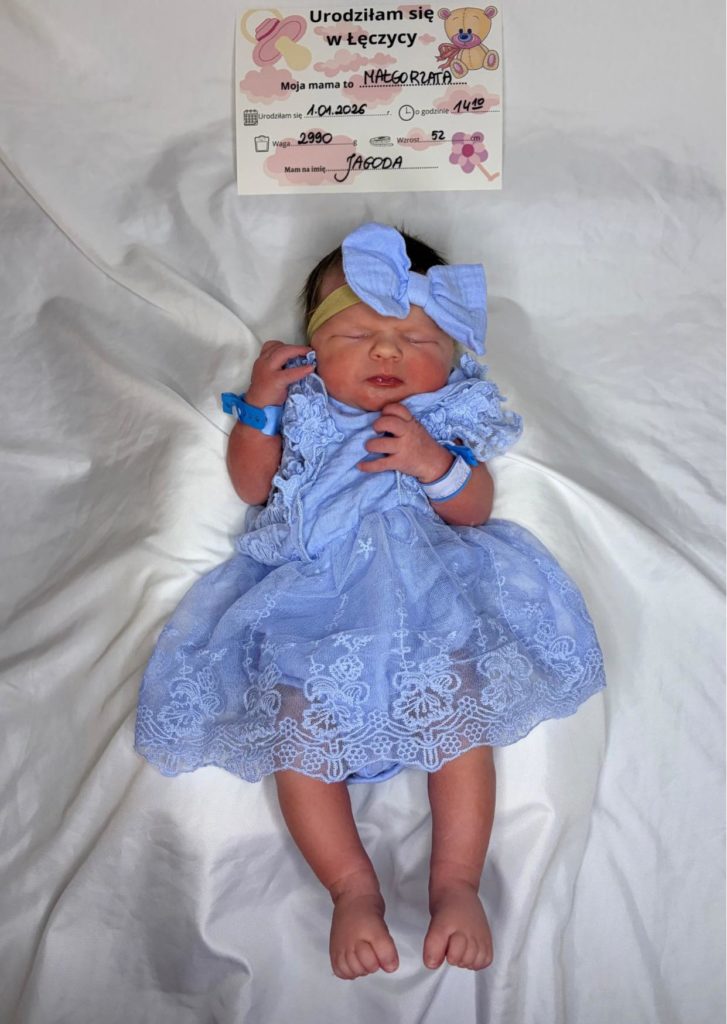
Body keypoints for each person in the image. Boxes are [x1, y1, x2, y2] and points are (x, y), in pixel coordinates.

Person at [135, 222, 605, 981]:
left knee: (459, 723)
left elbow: (474, 509)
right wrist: (260, 406)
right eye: (357, 335)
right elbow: (253, 487)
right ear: (312, 350)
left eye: (418, 339)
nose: (387, 353)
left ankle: (456, 884)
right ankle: (351, 889)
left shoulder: (443, 416)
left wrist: (433, 463)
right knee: (299, 739)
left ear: (450, 356)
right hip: (311, 607)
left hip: (427, 604)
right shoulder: (303, 408)